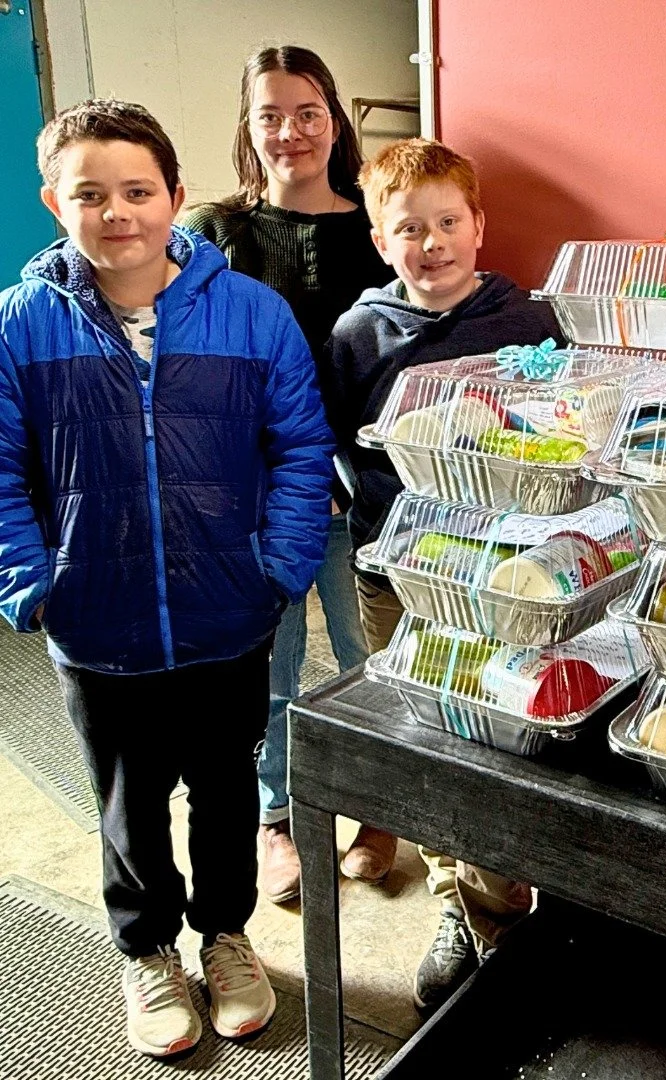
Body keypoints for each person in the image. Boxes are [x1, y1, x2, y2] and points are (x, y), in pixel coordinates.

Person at [0, 99, 333, 1056]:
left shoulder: (253, 314)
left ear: (176, 196)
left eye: (138, 191)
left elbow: (301, 449)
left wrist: (280, 566)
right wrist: (34, 580)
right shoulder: (21, 325)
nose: (117, 213)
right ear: (54, 203)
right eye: (90, 195)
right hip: (96, 623)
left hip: (229, 613)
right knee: (128, 802)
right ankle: (147, 951)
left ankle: (226, 936)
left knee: (226, 790)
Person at [322, 137, 561, 1012]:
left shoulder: (527, 320)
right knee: (430, 735)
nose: (432, 244)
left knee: (503, 727)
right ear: (380, 242)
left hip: (505, 572)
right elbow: (336, 441)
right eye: (409, 229)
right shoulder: (357, 334)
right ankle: (460, 904)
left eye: (448, 222)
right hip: (399, 574)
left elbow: (560, 431)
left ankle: (509, 898)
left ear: (478, 226)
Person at [182, 46, 393, 903]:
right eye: (269, 114)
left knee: (365, 656)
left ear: (334, 120)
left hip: (356, 490)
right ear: (248, 125)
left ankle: (377, 809)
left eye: (308, 112)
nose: (290, 131)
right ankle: (278, 818)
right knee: (268, 666)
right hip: (247, 492)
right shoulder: (213, 231)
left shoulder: (378, 226)